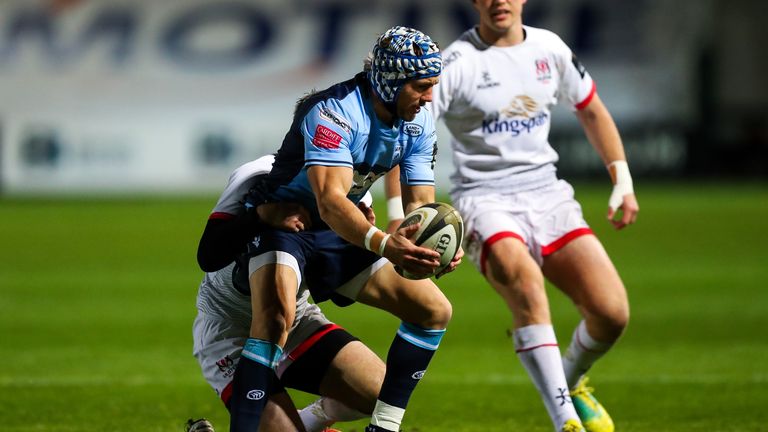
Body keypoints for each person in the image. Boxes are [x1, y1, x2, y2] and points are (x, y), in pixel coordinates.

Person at [225, 26, 462, 432]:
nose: (428, 98)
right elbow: (330, 201)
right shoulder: (334, 112)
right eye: (421, 87)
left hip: (339, 231)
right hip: (286, 224)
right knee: (276, 318)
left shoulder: (419, 124)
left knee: (434, 310)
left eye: (433, 86)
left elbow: (420, 205)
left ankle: (384, 426)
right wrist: (388, 246)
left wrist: (433, 246)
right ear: (390, 80)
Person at [428, 1, 638, 431]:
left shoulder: (550, 49)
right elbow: (410, 135)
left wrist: (622, 178)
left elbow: (592, 109)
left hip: (547, 194)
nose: (499, 1)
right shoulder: (455, 63)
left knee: (611, 313)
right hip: (484, 199)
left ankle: (572, 380)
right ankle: (566, 423)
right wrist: (405, 210)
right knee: (526, 286)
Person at [189, 154, 407, 432]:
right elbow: (209, 255)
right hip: (230, 327)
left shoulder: (355, 193)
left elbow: (340, 295)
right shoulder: (258, 174)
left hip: (295, 320)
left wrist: (359, 249)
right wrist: (259, 217)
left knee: (381, 393)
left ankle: (306, 422)